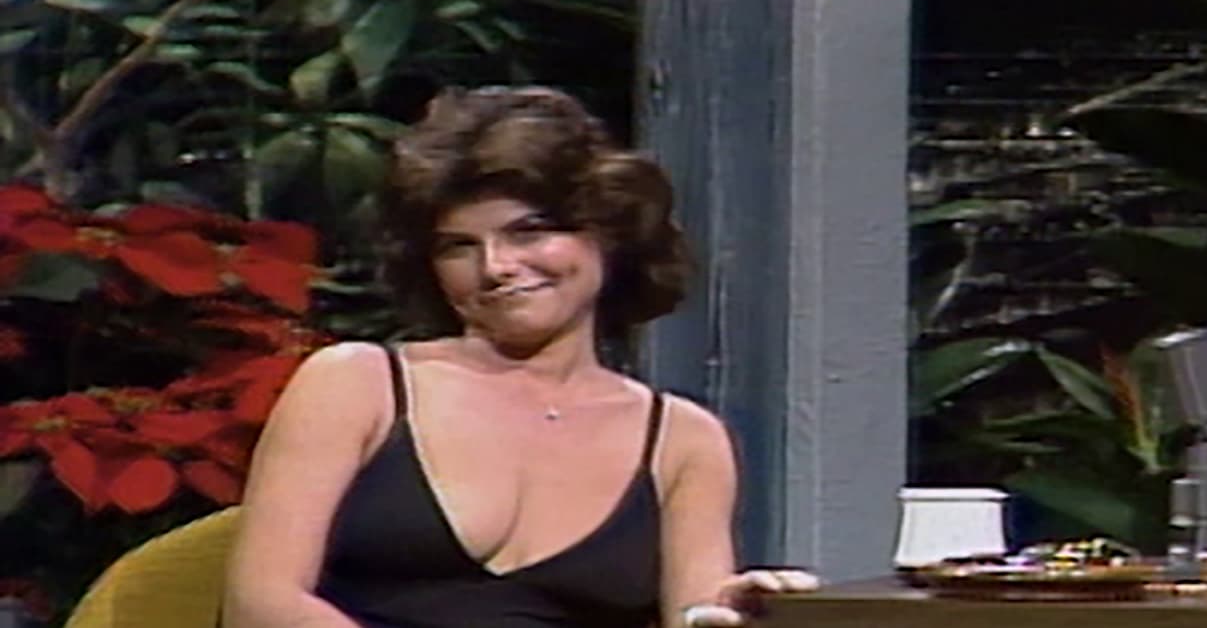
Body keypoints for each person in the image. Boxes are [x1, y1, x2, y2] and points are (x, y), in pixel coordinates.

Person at [224, 86, 815, 627]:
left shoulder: (684, 441)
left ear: (607, 233)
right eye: (458, 247)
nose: (495, 267)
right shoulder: (356, 384)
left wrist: (740, 612)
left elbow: (696, 615)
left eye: (528, 232)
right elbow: (263, 604)